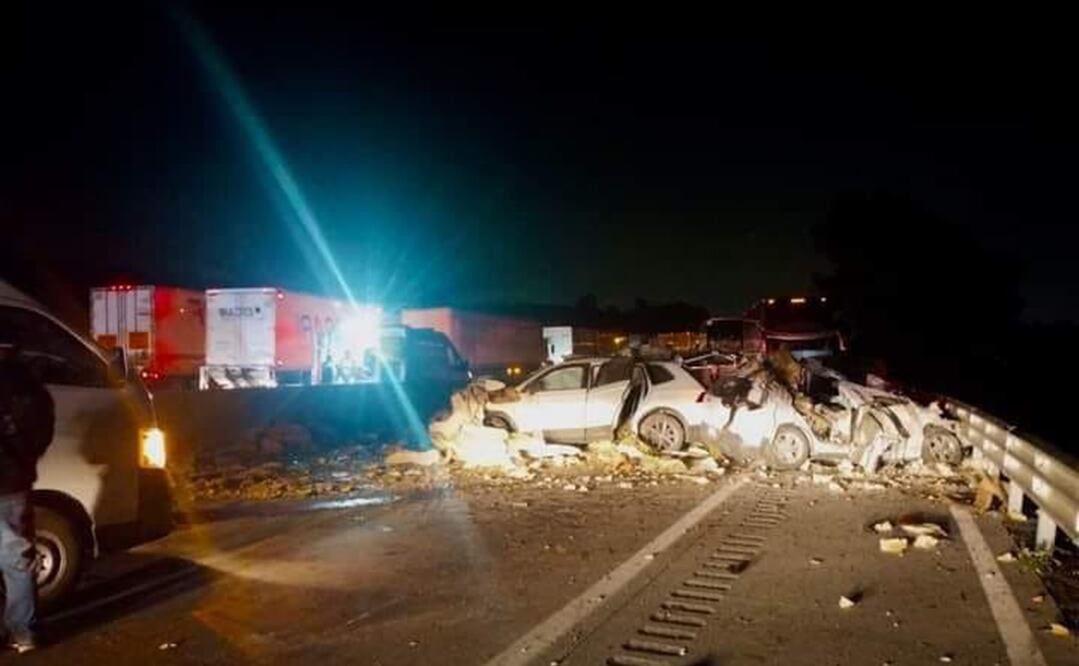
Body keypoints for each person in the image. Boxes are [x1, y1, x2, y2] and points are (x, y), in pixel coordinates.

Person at [0, 347, 55, 654]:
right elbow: (42, 434)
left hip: (11, 480)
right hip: (13, 483)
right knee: (17, 560)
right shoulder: (30, 388)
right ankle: (23, 632)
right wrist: (24, 460)